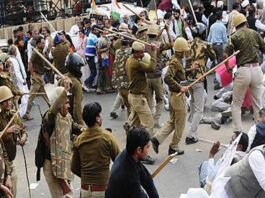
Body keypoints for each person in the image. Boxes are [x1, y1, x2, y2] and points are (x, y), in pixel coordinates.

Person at [224, 13, 265, 132]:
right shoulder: (255, 33)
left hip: (243, 70)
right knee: (257, 103)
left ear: (236, 26)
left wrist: (227, 67)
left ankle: (238, 132)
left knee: (236, 103)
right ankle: (259, 130)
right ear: (246, 23)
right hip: (257, 70)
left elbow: (226, 55)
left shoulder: (234, 36)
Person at [43, 79, 82, 198]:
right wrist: (65, 90)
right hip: (53, 166)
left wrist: (87, 129)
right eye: (66, 103)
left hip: (65, 164)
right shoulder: (50, 117)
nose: (69, 106)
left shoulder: (67, 116)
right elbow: (53, 109)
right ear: (59, 103)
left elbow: (74, 126)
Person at [71, 102, 120, 198]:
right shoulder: (107, 137)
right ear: (97, 119)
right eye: (100, 114)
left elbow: (74, 167)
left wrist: (87, 176)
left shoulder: (79, 139)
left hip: (85, 190)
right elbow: (119, 160)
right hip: (102, 190)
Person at [151, 37, 190, 156]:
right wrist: (180, 87)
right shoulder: (175, 61)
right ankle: (173, 147)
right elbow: (167, 77)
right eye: (184, 51)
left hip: (174, 96)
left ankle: (157, 139)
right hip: (177, 96)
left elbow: (180, 74)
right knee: (180, 122)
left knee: (173, 121)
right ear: (179, 51)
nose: (185, 53)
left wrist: (189, 70)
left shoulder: (176, 59)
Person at [125, 41, 157, 164]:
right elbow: (151, 68)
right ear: (135, 52)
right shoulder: (135, 63)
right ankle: (143, 153)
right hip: (138, 98)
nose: (142, 54)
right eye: (140, 52)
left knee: (134, 125)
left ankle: (131, 151)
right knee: (148, 124)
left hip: (133, 96)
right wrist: (153, 52)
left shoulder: (130, 59)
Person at [105, 127, 159, 198]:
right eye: (147, 147)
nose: (148, 151)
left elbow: (147, 179)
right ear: (139, 150)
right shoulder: (128, 175)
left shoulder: (129, 154)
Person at [185, 24, 216, 144]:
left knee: (193, 104)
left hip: (188, 78)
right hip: (198, 79)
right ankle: (190, 135)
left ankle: (191, 128)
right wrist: (209, 45)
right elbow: (213, 57)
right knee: (199, 109)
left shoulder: (187, 43)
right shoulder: (205, 45)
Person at [0, 86, 27, 198]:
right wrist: (6, 132)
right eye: (5, 101)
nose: (8, 103)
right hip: (1, 163)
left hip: (10, 161)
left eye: (10, 100)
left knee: (12, 192)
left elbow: (23, 128)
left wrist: (24, 137)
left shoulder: (13, 114)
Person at [146, 24, 173, 128]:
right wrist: (168, 31)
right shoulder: (159, 45)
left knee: (149, 100)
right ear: (156, 34)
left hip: (147, 75)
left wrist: (162, 30)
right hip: (157, 76)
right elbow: (171, 44)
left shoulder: (144, 44)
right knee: (160, 100)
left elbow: (153, 39)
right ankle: (156, 120)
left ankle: (150, 121)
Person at [23, 37, 50, 120]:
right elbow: (30, 62)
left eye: (44, 43)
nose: (44, 44)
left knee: (45, 95)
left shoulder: (41, 52)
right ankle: (26, 113)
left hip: (40, 77)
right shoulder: (36, 52)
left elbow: (40, 64)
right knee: (32, 96)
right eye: (42, 43)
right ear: (38, 44)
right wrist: (32, 74)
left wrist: (47, 68)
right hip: (36, 77)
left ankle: (53, 108)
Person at [58, 53, 85, 125]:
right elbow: (77, 107)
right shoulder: (76, 83)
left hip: (60, 117)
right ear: (75, 68)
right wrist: (81, 124)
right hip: (71, 119)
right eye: (79, 67)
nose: (80, 69)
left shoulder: (62, 79)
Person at [111, 34, 132, 119]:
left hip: (117, 81)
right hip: (126, 81)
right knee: (130, 106)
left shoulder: (117, 52)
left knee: (127, 104)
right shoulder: (129, 52)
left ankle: (114, 111)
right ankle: (130, 123)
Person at [8, 46, 29, 117]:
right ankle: (21, 114)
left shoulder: (11, 59)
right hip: (18, 83)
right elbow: (17, 73)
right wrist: (22, 80)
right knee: (23, 99)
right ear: (14, 52)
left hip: (14, 83)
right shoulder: (13, 60)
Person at [84, 25, 100, 91]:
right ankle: (86, 82)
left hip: (89, 55)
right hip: (90, 56)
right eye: (96, 30)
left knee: (92, 71)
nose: (98, 31)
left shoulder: (90, 35)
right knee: (94, 72)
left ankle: (90, 85)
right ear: (93, 30)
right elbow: (98, 44)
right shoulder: (94, 37)